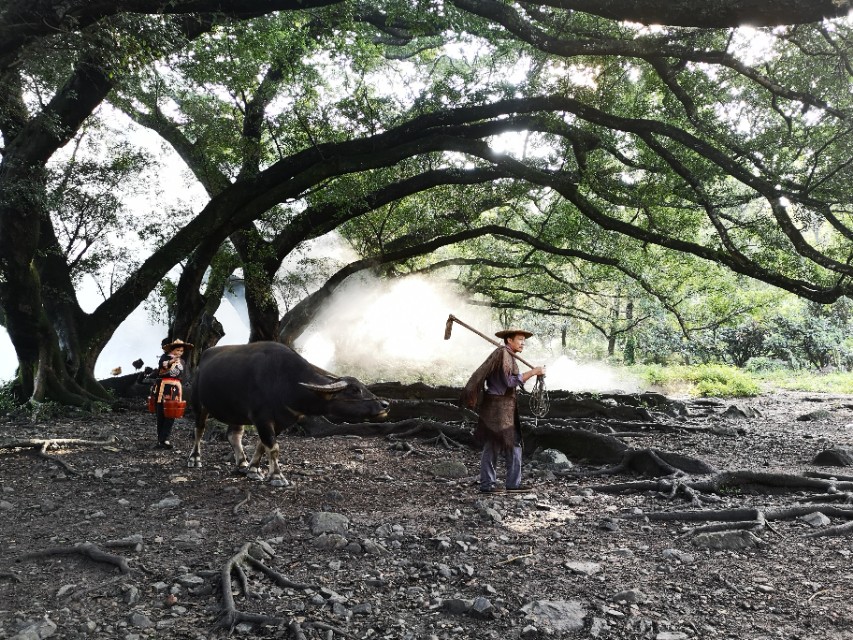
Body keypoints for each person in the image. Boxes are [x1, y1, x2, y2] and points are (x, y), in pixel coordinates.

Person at [462, 328, 545, 493]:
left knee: (513, 442)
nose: (523, 343)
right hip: (497, 408)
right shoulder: (503, 354)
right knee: (493, 444)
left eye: (524, 340)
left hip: (505, 407)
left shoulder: (508, 355)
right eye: (520, 339)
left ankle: (513, 484)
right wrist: (533, 372)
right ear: (509, 340)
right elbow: (509, 382)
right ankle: (487, 485)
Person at [153, 338, 193, 449]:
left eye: (181, 351)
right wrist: (171, 361)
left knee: (172, 413)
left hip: (175, 389)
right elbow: (162, 366)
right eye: (178, 350)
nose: (179, 353)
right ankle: (161, 439)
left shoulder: (183, 362)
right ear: (172, 350)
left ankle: (164, 439)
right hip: (163, 387)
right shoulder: (164, 358)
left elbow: (183, 376)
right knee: (161, 413)